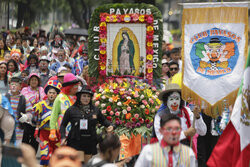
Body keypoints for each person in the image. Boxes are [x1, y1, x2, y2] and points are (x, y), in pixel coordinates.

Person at [60, 85, 114, 163]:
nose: (86, 98)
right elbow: (63, 125)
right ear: (79, 97)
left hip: (90, 141)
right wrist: (63, 137)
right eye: (84, 96)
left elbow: (104, 121)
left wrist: (111, 126)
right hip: (76, 141)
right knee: (79, 163)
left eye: (88, 96)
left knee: (86, 164)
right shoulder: (71, 110)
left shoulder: (95, 110)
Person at [152, 84, 207, 152]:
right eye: (171, 99)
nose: (174, 102)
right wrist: (185, 133)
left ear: (181, 100)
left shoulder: (188, 112)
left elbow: (203, 132)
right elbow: (162, 138)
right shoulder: (159, 116)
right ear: (166, 101)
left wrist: (198, 117)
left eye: (177, 99)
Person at [33, 80, 62, 166]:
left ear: (57, 94)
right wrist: (36, 130)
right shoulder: (41, 105)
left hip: (56, 134)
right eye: (50, 92)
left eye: (54, 93)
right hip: (43, 134)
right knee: (45, 154)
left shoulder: (60, 106)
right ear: (47, 93)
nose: (52, 94)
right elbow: (38, 119)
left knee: (56, 155)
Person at [49, 73, 79, 142]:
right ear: (69, 87)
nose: (77, 87)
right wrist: (52, 130)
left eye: (77, 85)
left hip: (77, 132)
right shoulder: (60, 98)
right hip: (63, 133)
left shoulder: (78, 97)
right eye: (75, 86)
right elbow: (54, 115)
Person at [5, 77, 34, 146]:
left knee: (15, 149)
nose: (14, 86)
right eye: (12, 84)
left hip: (18, 130)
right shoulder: (4, 97)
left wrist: (26, 116)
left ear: (20, 86)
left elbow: (30, 112)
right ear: (9, 86)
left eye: (16, 85)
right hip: (5, 128)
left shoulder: (24, 99)